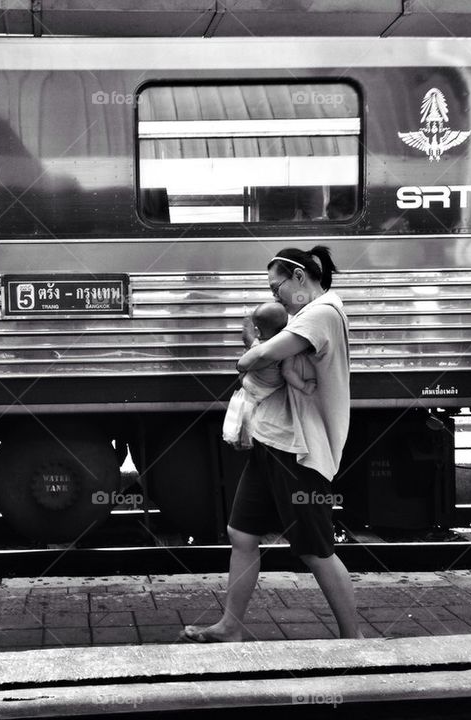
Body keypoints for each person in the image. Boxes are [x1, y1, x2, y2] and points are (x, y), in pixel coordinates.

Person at [181, 245, 363, 642]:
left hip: (298, 451)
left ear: (299, 277)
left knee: (315, 549)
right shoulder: (304, 314)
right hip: (271, 443)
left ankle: (354, 641)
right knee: (242, 535)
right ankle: (231, 627)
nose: (273, 294)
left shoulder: (323, 313)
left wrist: (248, 357)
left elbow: (259, 355)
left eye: (275, 285)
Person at [223, 302, 317, 450]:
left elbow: (243, 364)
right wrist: (304, 386)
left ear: (257, 331)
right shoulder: (285, 348)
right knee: (257, 418)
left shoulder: (257, 346)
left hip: (249, 388)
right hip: (267, 391)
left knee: (247, 413)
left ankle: (242, 436)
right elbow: (288, 372)